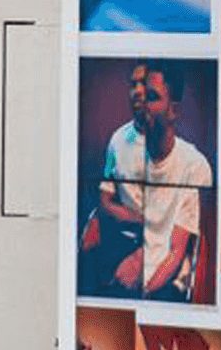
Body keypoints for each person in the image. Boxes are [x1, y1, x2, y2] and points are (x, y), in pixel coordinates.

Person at [79, 60, 209, 302]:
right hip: (121, 242)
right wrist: (140, 221)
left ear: (174, 109)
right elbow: (104, 201)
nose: (138, 94)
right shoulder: (118, 140)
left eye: (150, 93)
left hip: (161, 265)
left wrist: (144, 259)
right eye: (134, 84)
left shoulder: (194, 165)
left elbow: (178, 249)